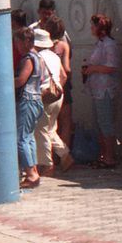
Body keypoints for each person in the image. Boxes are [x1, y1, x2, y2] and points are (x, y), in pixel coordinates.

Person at [33, 27, 74, 175]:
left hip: (44, 95)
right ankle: (65, 155)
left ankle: (47, 164)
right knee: (50, 129)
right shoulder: (54, 56)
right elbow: (63, 75)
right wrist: (57, 90)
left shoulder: (37, 57)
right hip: (58, 95)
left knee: (41, 130)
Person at [81, 13, 120, 168]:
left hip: (105, 89)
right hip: (96, 88)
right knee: (99, 123)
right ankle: (103, 155)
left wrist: (93, 69)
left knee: (106, 123)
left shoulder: (109, 44)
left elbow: (111, 66)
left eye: (93, 25)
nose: (91, 28)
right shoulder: (100, 43)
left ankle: (109, 157)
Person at [13, 27, 42, 188]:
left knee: (21, 138)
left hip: (27, 100)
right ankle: (34, 171)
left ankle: (31, 174)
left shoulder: (28, 59)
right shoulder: (38, 56)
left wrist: (3, 81)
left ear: (26, 41)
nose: (16, 45)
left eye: (17, 41)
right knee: (29, 137)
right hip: (36, 99)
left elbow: (21, 80)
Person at [48, 14, 75, 148]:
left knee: (50, 123)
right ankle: (65, 153)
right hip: (62, 85)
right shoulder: (63, 46)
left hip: (47, 85)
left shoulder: (44, 46)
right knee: (65, 121)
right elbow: (67, 68)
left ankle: (52, 154)